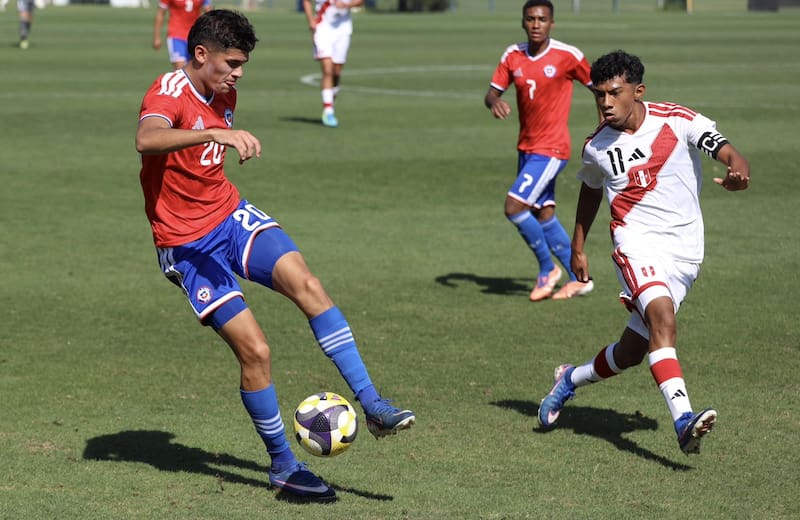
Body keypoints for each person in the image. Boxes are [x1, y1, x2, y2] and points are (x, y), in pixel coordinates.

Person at [136, 10, 415, 500]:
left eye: (243, 63)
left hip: (228, 215)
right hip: (184, 244)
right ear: (201, 54)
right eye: (232, 62)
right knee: (256, 351)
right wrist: (214, 133)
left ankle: (373, 404)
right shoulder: (167, 92)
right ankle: (284, 466)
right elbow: (148, 138)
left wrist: (219, 134)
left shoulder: (226, 92)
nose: (239, 72)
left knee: (307, 284)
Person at [536, 50, 750, 455]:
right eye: (599, 95)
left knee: (632, 352)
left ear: (638, 91)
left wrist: (740, 172)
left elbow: (728, 152)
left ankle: (569, 379)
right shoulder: (596, 145)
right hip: (635, 245)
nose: (606, 103)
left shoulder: (678, 120)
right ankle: (683, 419)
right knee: (662, 321)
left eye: (614, 93)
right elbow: (591, 189)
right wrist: (577, 246)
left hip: (685, 252)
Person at [484, 0, 597, 302]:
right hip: (527, 147)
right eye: (531, 19)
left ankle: (548, 269)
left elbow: (599, 88)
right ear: (523, 22)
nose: (536, 24)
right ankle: (579, 279)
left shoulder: (567, 56)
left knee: (514, 207)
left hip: (552, 148)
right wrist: (494, 102)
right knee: (543, 212)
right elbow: (492, 92)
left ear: (551, 24)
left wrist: (604, 126)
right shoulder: (513, 55)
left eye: (542, 19)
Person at [302, 0, 364, 128]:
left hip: (343, 30)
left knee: (336, 72)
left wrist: (347, 5)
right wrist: (311, 21)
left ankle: (330, 99)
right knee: (327, 71)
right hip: (322, 29)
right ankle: (328, 111)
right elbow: (307, 1)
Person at [152, 0, 212, 70]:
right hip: (176, 35)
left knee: (196, 69)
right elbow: (161, 13)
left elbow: (209, 13)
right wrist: (157, 37)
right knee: (180, 69)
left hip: (194, 35)